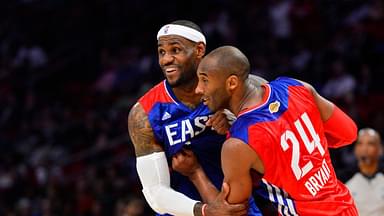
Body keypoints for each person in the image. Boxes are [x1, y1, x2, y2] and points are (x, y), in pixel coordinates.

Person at [192, 45, 358, 215]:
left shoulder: (237, 144)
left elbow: (231, 211)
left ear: (232, 83)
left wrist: (195, 173)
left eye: (205, 80)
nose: (198, 89)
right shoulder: (296, 87)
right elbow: (349, 133)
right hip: (345, 207)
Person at [127, 21, 262, 216]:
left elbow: (277, 135)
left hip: (235, 202)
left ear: (199, 50)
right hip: (184, 209)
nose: (166, 60)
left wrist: (237, 120)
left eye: (175, 50)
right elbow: (155, 193)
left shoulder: (234, 85)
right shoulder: (144, 114)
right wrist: (205, 211)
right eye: (161, 52)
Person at [346, 128, 384, 216]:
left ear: (380, 149)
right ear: (355, 149)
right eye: (360, 143)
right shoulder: (343, 180)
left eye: (370, 144)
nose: (364, 148)